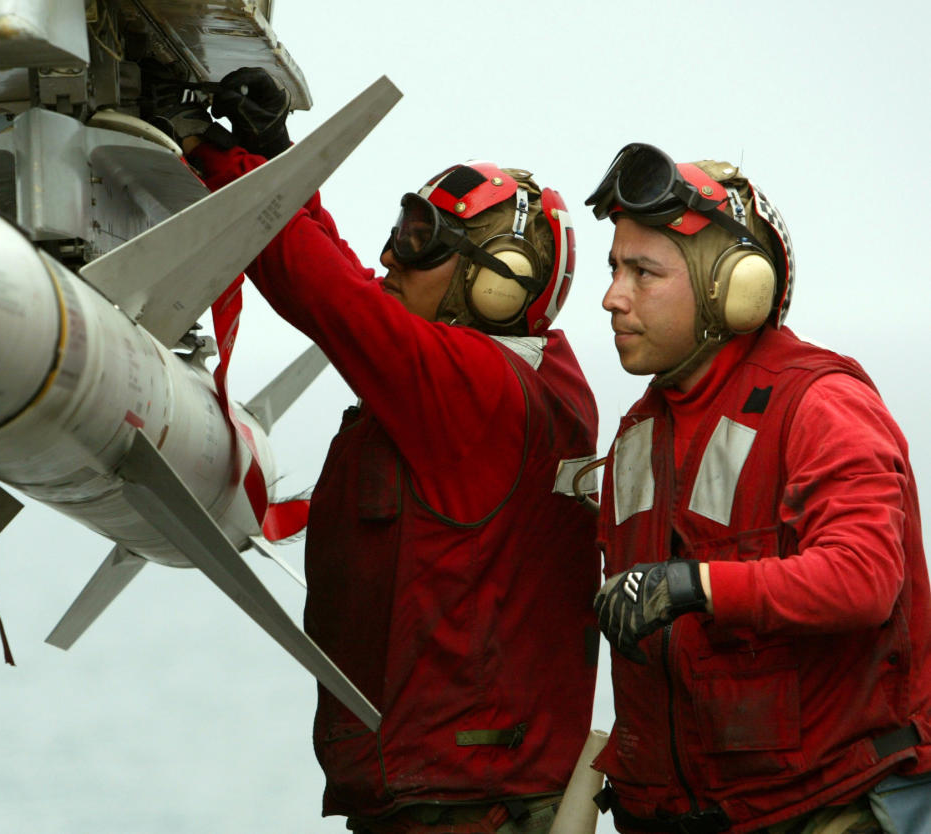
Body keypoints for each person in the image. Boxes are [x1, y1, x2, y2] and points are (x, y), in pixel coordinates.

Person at [156, 69, 601, 833]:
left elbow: (333, 298)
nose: (392, 256)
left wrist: (221, 160)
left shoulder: (475, 390)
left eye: (422, 245)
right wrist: (269, 154)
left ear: (493, 286)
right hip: (457, 796)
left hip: (462, 808)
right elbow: (358, 285)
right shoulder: (528, 371)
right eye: (403, 232)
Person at [586, 142, 931, 834]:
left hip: (822, 809)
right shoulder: (637, 434)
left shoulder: (821, 404)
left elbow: (864, 577)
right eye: (614, 269)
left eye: (642, 272)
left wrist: (693, 586)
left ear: (732, 288)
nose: (612, 297)